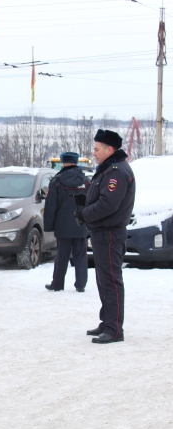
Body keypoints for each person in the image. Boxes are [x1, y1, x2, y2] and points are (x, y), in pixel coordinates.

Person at [80, 130, 135, 344]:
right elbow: (100, 197)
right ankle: (107, 321)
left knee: (111, 280)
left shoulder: (116, 172)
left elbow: (108, 204)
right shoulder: (108, 170)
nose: (93, 153)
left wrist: (84, 214)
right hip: (103, 232)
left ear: (109, 150)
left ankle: (114, 329)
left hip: (110, 233)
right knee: (104, 280)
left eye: (96, 149)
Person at [44, 152, 90, 293]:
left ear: (63, 163)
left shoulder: (57, 181)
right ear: (76, 162)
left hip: (63, 225)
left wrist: (49, 226)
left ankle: (57, 284)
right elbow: (92, 202)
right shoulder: (86, 181)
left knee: (62, 256)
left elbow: (51, 205)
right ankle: (81, 284)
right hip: (81, 223)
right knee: (81, 255)